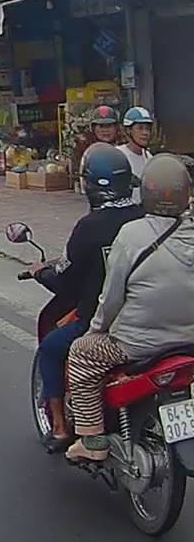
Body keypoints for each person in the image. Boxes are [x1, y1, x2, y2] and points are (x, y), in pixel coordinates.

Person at [65, 154, 194, 461]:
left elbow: (111, 297)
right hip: (189, 341)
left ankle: (92, 440)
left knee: (80, 353)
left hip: (137, 344)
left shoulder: (131, 234)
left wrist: (96, 330)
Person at [33, 143, 143, 451]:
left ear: (90, 185)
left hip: (111, 324)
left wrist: (42, 274)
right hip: (154, 317)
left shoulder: (89, 227)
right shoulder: (146, 219)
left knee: (52, 348)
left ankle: (61, 429)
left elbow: (66, 278)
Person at [118, 106, 155, 202]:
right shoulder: (118, 155)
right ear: (128, 130)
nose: (145, 133)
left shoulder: (150, 159)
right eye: (140, 128)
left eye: (147, 129)